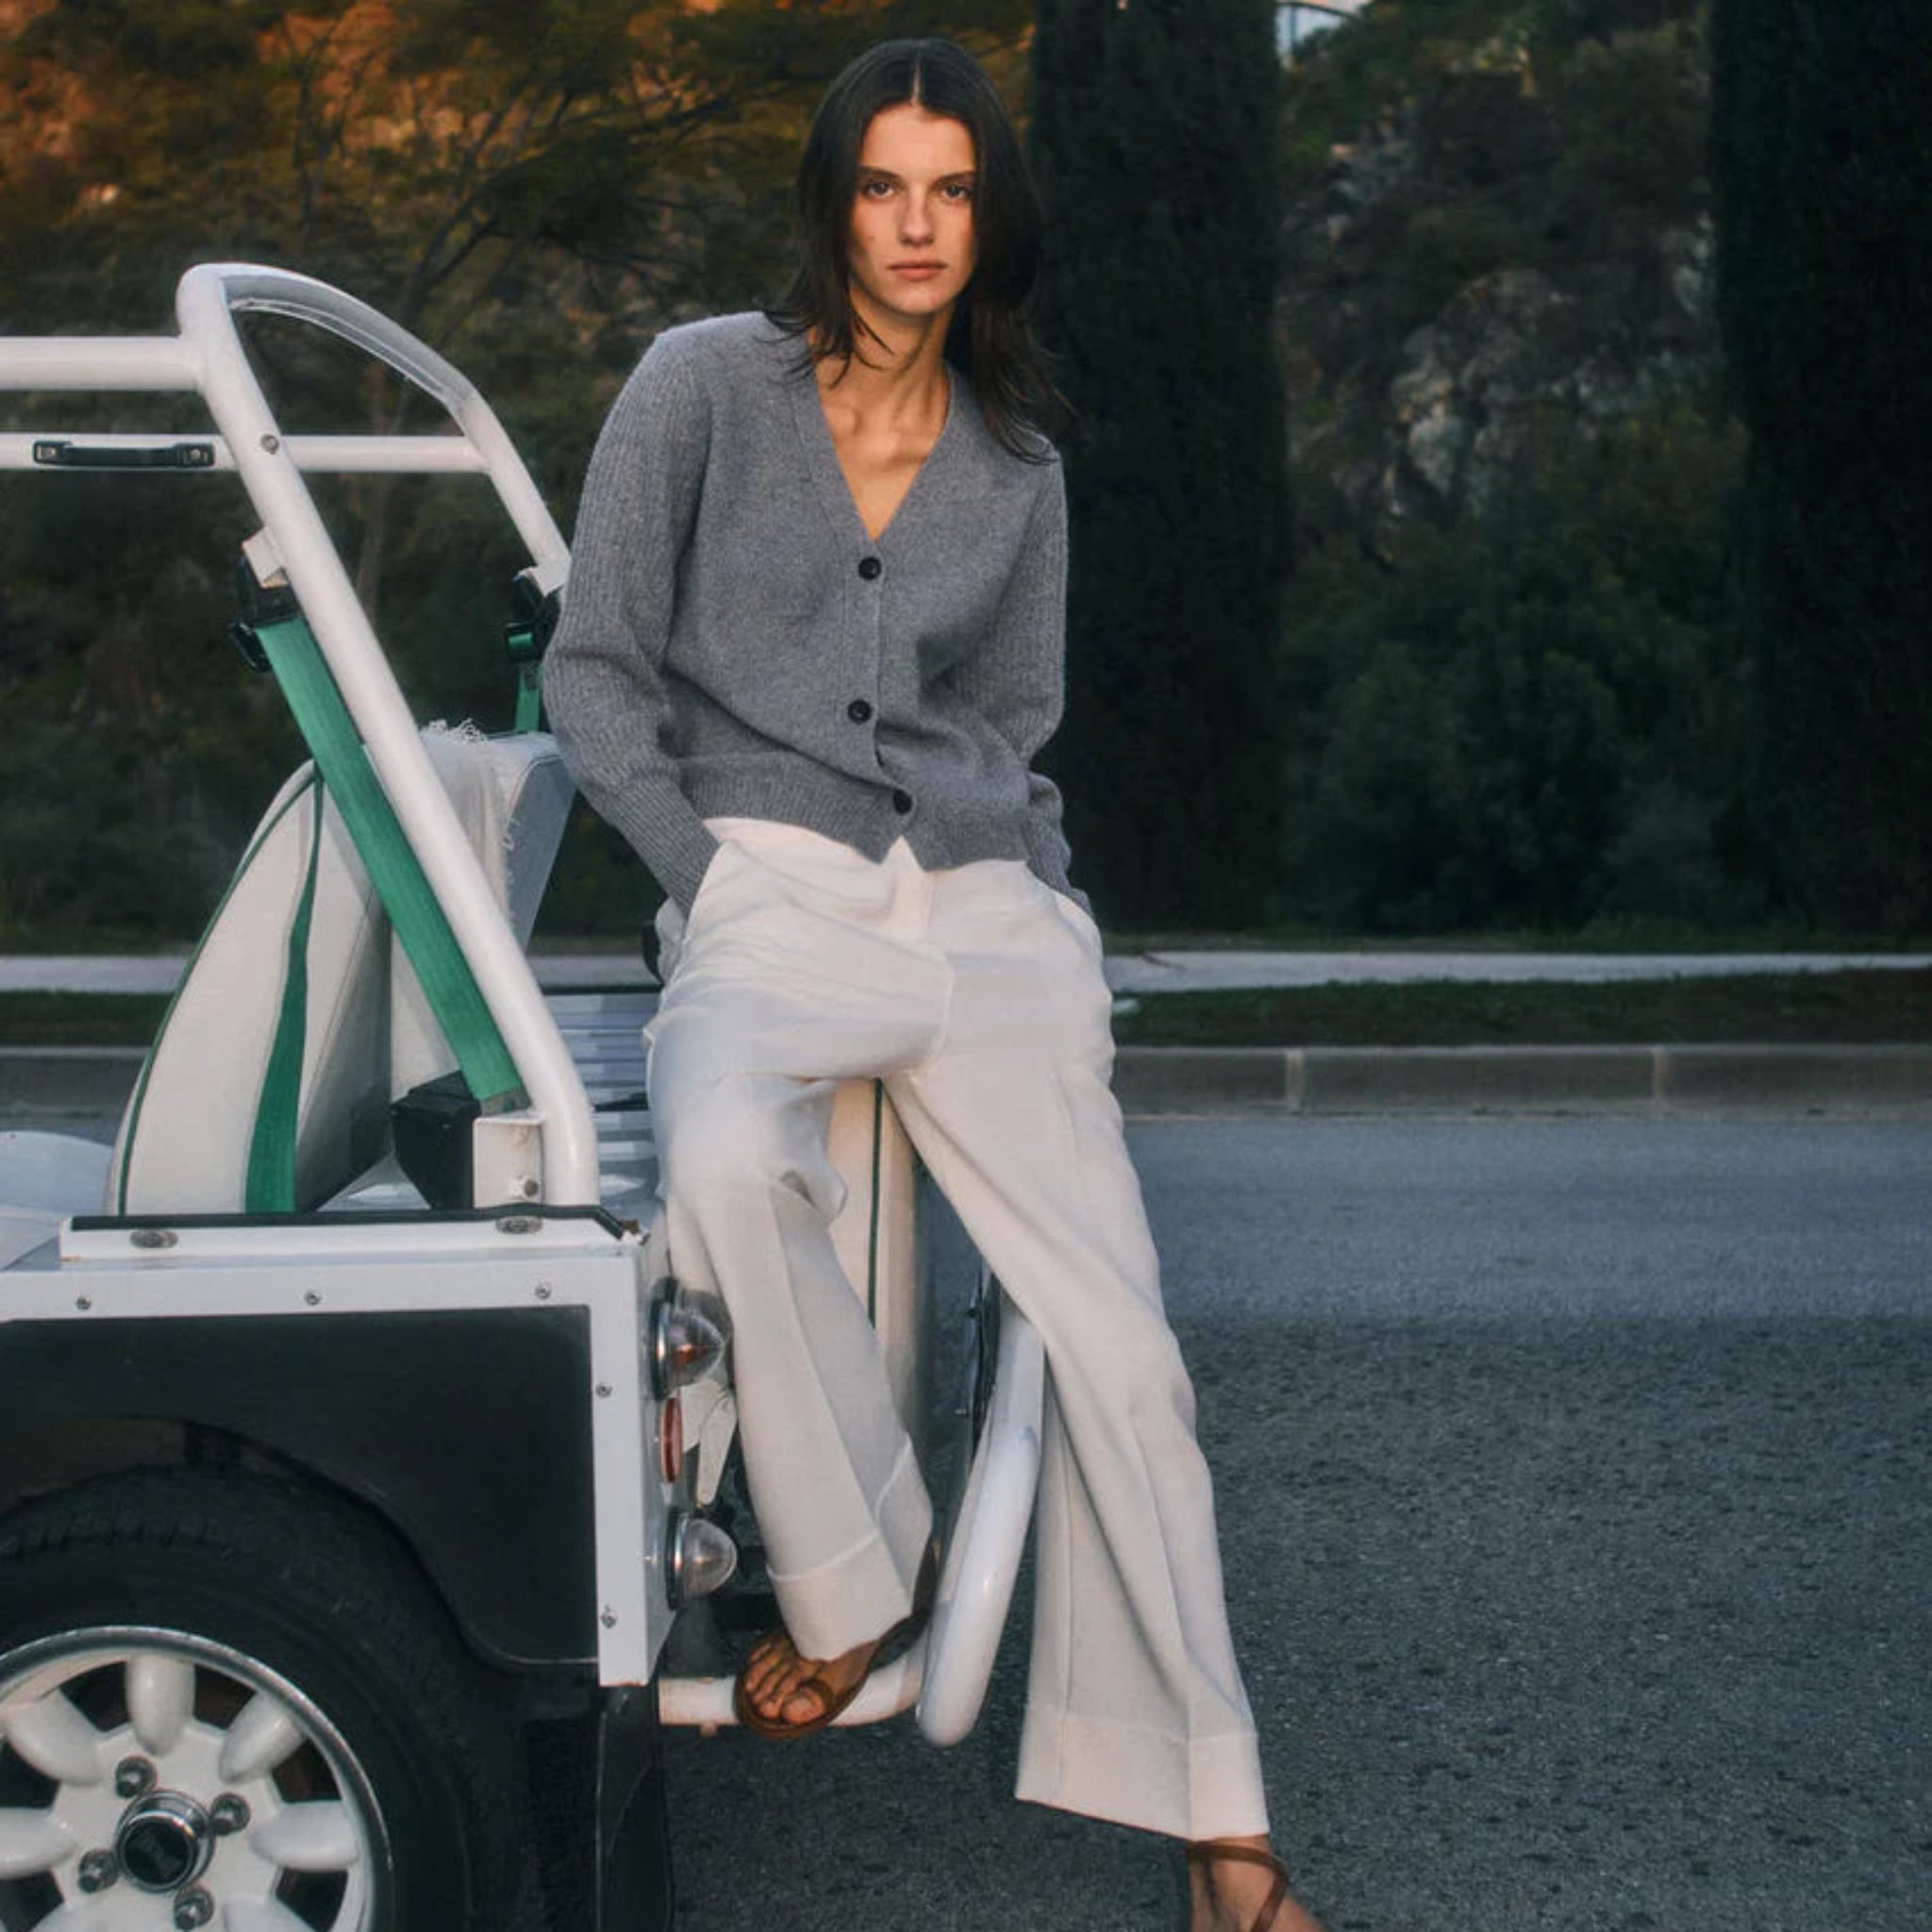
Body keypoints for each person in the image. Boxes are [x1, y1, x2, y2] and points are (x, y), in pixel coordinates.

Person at [541, 37, 1324, 1932]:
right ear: (832, 205)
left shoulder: (1017, 466)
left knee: (1125, 1358)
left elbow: (1009, 718)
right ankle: (856, 1568)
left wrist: (1027, 903)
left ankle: (1224, 1841)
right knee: (723, 1154)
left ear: (989, 215)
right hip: (771, 891)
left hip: (977, 907)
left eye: (951, 189)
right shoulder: (699, 389)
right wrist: (710, 866)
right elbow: (592, 671)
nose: (915, 225)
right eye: (884, 186)